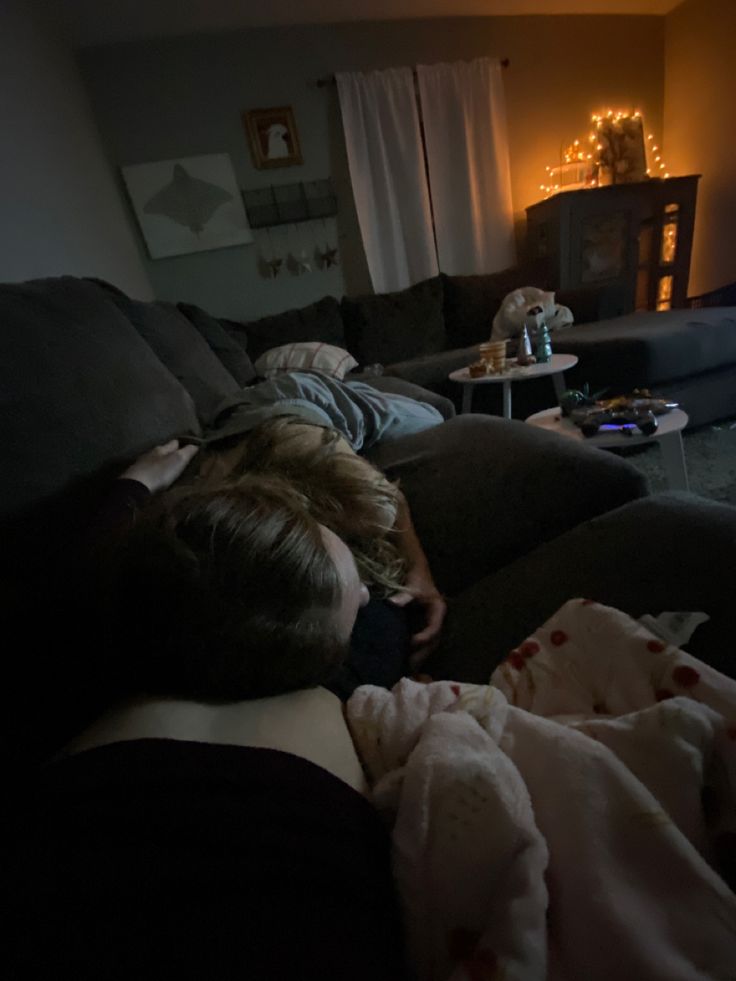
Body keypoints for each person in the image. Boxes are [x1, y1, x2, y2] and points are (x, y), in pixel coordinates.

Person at [13, 468, 409, 980]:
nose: (362, 596)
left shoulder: (80, 670)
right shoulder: (350, 672)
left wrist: (135, 485)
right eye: (357, 589)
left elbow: (86, 573)